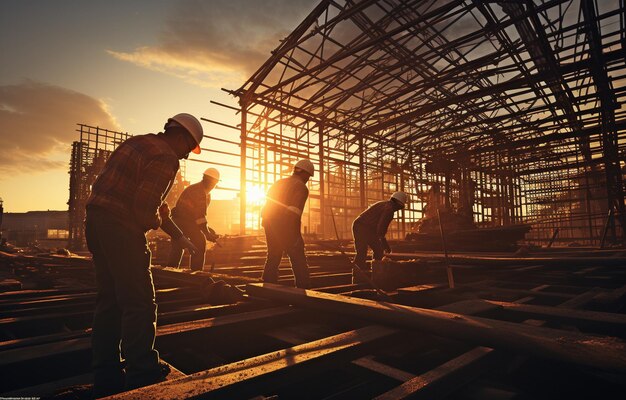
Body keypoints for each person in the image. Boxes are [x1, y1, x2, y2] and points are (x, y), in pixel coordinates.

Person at [85, 113, 203, 397]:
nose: (185, 157)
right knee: (139, 301)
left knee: (109, 300)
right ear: (182, 138)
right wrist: (150, 223)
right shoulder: (166, 157)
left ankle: (106, 373)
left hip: (95, 222)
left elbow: (141, 199)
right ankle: (142, 370)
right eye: (188, 149)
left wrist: (171, 229)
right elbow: (143, 210)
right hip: (120, 228)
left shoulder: (138, 143)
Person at [260, 159, 314, 289]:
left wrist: (269, 226)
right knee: (298, 258)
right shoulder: (301, 187)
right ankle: (303, 289)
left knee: (273, 255)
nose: (308, 179)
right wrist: (294, 237)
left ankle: (268, 287)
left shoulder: (278, 183)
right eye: (308, 176)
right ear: (305, 173)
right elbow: (293, 214)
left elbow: (265, 208)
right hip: (286, 226)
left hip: (269, 224)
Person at [167, 168, 220, 271]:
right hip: (184, 222)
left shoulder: (203, 192)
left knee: (177, 248)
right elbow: (199, 217)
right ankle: (196, 274)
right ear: (212, 182)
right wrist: (207, 233)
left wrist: (208, 230)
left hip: (181, 222)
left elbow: (198, 218)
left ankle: (170, 271)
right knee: (199, 243)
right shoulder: (199, 192)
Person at [352, 192, 407, 283]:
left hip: (365, 227)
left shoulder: (383, 204)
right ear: (398, 204)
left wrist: (383, 244)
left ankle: (375, 273)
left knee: (378, 250)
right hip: (361, 227)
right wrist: (385, 244)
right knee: (362, 252)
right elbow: (381, 228)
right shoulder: (389, 210)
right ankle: (357, 278)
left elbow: (378, 229)